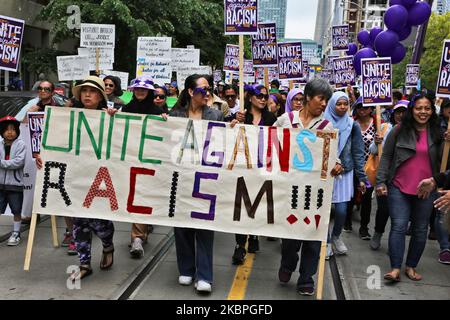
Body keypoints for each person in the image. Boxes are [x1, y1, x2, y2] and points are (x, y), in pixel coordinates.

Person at [275, 78, 334, 296]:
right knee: (290, 236)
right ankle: (287, 264)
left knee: (312, 236)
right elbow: (265, 142)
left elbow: (332, 158)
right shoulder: (285, 120)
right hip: (290, 190)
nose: (324, 104)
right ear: (308, 97)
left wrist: (336, 165)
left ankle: (306, 277)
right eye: (321, 98)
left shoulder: (328, 128)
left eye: (326, 100)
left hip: (316, 193)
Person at [377, 93, 443, 282]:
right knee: (398, 226)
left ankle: (411, 266)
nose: (423, 112)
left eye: (427, 108)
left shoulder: (439, 134)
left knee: (421, 229)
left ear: (432, 110)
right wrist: (381, 181)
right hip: (399, 187)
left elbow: (443, 164)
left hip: (427, 189)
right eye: (419, 108)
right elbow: (387, 157)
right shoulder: (398, 130)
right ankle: (395, 267)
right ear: (412, 110)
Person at [170, 74, 224, 293]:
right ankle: (186, 269)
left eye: (209, 89)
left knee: (204, 226)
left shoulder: (216, 115)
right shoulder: (175, 115)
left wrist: (234, 126)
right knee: (181, 223)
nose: (208, 94)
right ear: (191, 92)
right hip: (181, 176)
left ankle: (204, 276)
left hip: (206, 177)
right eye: (203, 90)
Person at [66, 76, 115, 281]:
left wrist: (115, 119)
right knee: (79, 224)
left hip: (101, 179)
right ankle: (84, 263)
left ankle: (107, 245)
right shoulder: (69, 117)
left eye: (92, 91)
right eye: (84, 90)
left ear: (100, 97)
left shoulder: (109, 116)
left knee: (99, 223)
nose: (87, 94)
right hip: (77, 177)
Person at [231, 84, 277, 265]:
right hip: (243, 168)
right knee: (241, 207)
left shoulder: (271, 118)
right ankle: (240, 245)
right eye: (259, 95)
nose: (263, 99)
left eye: (266, 96)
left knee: (258, 205)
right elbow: (227, 134)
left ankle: (255, 234)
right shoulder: (242, 116)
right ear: (250, 97)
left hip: (263, 169)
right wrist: (234, 123)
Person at [122, 77, 167, 258]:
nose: (140, 92)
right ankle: (138, 235)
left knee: (143, 195)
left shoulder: (156, 111)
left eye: (144, 89)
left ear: (149, 92)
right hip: (130, 158)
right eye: (137, 89)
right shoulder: (126, 109)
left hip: (149, 160)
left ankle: (139, 235)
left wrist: (165, 121)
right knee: (134, 195)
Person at [324, 92, 368, 259]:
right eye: (339, 104)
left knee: (342, 211)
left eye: (345, 104)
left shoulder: (352, 124)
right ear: (332, 104)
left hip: (345, 172)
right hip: (325, 172)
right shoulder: (322, 121)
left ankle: (336, 236)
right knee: (324, 211)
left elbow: (357, 152)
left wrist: (362, 178)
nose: (342, 107)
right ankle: (326, 241)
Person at [369, 100, 408, 250]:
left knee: (399, 216)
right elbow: (373, 151)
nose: (401, 115)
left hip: (404, 178)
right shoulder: (384, 128)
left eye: (404, 112)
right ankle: (378, 234)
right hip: (385, 176)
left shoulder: (415, 131)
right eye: (398, 112)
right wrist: (376, 142)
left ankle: (395, 243)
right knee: (383, 209)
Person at [344, 97, 378, 239]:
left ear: (371, 109)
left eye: (365, 107)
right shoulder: (351, 124)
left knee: (366, 198)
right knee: (350, 195)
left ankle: (364, 227)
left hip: (369, 169)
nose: (362, 110)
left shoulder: (377, 124)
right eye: (359, 107)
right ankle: (347, 222)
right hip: (353, 167)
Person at [0, 116, 26, 246]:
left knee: (16, 209)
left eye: (13, 129)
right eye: (6, 129)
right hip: (0, 184)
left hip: (15, 184)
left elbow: (19, 162)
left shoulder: (21, 144)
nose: (10, 132)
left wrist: (1, 163)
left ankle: (16, 233)